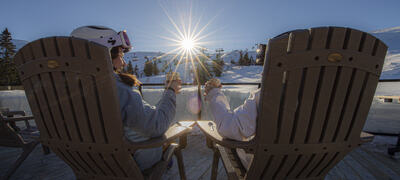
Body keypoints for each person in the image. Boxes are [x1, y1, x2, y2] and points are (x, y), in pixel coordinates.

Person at [71, 25, 182, 171]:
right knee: (166, 138)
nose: (123, 63)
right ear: (104, 54)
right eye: (121, 56)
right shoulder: (114, 88)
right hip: (124, 166)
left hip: (86, 164)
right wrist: (171, 91)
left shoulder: (65, 89)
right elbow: (157, 125)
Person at [204, 78, 260, 170]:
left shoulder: (264, 95)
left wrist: (214, 94)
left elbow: (229, 128)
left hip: (256, 169)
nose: (262, 73)